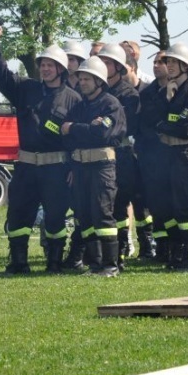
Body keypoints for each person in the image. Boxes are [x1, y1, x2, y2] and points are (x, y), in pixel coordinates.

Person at [0, 26, 81, 274]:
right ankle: (18, 261)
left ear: (61, 69)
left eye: (50, 65)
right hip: (27, 166)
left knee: (55, 217)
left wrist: (73, 167)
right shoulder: (26, 89)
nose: (44, 68)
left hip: (56, 168)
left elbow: (78, 139)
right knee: (18, 213)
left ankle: (54, 262)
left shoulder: (74, 99)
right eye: (42, 64)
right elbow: (2, 76)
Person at [61, 56, 126, 277]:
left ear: (99, 81)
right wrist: (86, 128)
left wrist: (76, 129)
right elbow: (65, 134)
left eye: (87, 78)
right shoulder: (80, 107)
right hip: (80, 167)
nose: (82, 82)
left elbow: (103, 133)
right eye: (81, 78)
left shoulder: (111, 104)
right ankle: (96, 264)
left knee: (103, 214)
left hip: (102, 167)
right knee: (84, 216)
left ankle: (111, 265)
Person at [156, 43, 188, 271]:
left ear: (185, 65)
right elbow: (152, 121)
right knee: (167, 204)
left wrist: (165, 124)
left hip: (185, 153)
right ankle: (176, 251)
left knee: (185, 205)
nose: (169, 66)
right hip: (166, 153)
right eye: (168, 62)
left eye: (174, 62)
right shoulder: (166, 92)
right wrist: (167, 110)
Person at [97, 43, 142, 268]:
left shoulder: (129, 95)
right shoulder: (98, 91)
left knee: (120, 204)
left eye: (107, 62)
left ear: (117, 66)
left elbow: (125, 127)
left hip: (122, 154)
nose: (103, 66)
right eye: (101, 61)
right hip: (100, 154)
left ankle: (122, 248)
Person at [135, 50, 168, 260]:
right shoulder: (147, 93)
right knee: (151, 203)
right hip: (149, 155)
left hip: (172, 156)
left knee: (170, 205)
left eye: (162, 62)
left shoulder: (181, 91)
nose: (157, 66)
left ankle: (173, 247)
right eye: (155, 62)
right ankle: (157, 248)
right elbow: (142, 124)